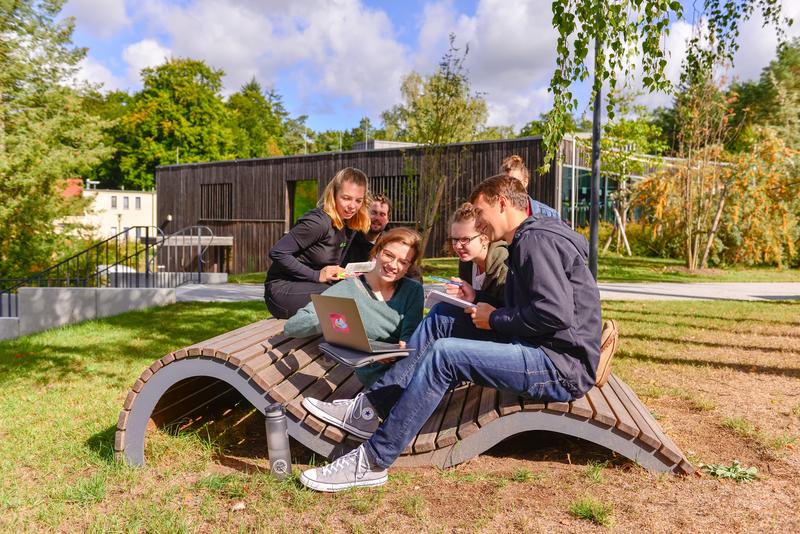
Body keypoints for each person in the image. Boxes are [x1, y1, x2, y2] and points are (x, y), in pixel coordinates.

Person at [299, 173, 606, 492]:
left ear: (501, 204)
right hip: (540, 345)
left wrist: (496, 318)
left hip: (558, 366)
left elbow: (553, 313)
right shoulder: (530, 236)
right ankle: (372, 407)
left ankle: (374, 461)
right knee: (445, 315)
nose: (481, 223)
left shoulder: (535, 239)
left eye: (481, 212)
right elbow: (536, 306)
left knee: (445, 355)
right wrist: (480, 301)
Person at [283, 227, 424, 386]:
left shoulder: (413, 290)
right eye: (388, 255)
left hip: (405, 368)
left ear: (408, 266)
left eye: (403, 262)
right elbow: (292, 326)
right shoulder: (348, 289)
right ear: (377, 252)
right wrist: (330, 319)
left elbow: (410, 333)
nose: (393, 265)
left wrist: (401, 348)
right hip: (371, 374)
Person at [264, 168, 370, 319]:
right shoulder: (318, 223)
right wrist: (316, 275)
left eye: (358, 200)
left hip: (312, 287)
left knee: (361, 290)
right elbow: (278, 252)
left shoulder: (347, 223)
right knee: (346, 297)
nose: (352, 206)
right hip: (282, 291)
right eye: (346, 198)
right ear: (333, 194)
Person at [441, 202, 507, 306]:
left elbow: (506, 309)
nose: (458, 246)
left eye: (465, 239)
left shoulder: (504, 264)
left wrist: (474, 296)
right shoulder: (467, 261)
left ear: (485, 238)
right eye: (455, 239)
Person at [501, 154, 560, 219]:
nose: (510, 187)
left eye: (515, 182)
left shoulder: (549, 215)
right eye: (505, 183)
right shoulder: (498, 214)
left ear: (525, 182)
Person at [343, 194, 391, 264]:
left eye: (382, 214)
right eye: (374, 213)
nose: (377, 218)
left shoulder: (388, 245)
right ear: (364, 214)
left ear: (388, 220)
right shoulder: (347, 237)